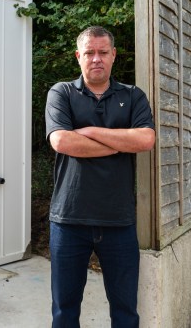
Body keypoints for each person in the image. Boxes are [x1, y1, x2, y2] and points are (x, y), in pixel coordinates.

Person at [45, 26, 156, 327]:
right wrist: (121, 142)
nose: (97, 59)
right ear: (78, 56)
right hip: (69, 219)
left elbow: (145, 140)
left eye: (103, 52)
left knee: (125, 311)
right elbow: (62, 142)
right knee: (64, 311)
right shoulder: (62, 92)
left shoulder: (133, 96)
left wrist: (91, 132)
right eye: (90, 53)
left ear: (113, 56)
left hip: (118, 220)